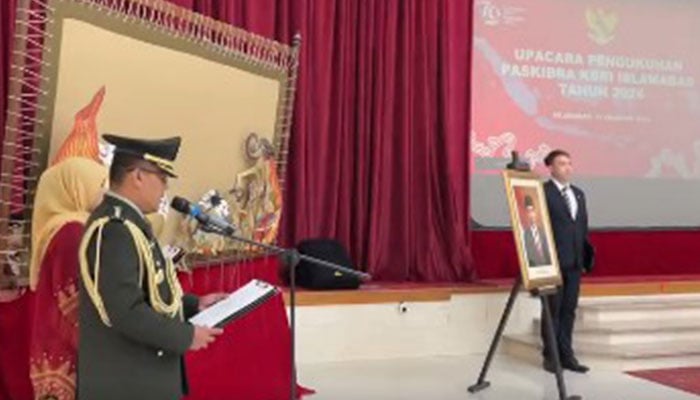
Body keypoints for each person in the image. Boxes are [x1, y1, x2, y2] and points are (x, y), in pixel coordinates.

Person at [78, 134, 226, 400]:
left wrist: (194, 305)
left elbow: (149, 290)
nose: (165, 189)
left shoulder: (130, 223)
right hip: (126, 382)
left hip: (142, 378)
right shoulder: (114, 229)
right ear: (137, 176)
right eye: (162, 178)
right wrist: (185, 336)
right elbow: (125, 310)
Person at [28, 157, 108, 400]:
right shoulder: (71, 230)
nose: (105, 193)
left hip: (57, 342)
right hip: (69, 347)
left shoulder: (59, 226)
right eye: (99, 184)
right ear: (77, 187)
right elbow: (73, 295)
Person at [541, 149, 590, 374]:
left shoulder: (578, 193)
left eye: (569, 163)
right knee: (552, 310)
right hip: (553, 263)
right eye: (561, 163)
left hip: (574, 263)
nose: (567, 167)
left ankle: (567, 355)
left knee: (569, 310)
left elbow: (580, 228)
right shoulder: (543, 192)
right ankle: (550, 357)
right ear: (550, 167)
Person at [521, 195, 551, 267]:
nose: (531, 214)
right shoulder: (525, 234)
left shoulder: (543, 231)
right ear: (526, 215)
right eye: (528, 212)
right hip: (534, 267)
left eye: (532, 211)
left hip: (547, 266)